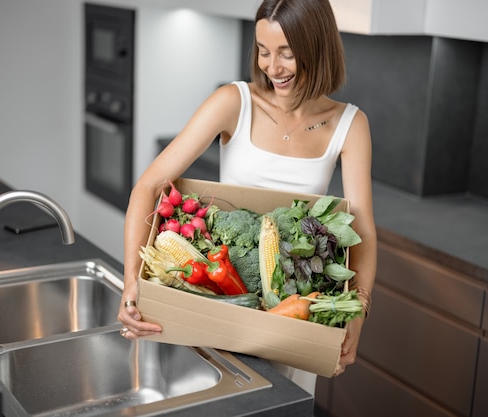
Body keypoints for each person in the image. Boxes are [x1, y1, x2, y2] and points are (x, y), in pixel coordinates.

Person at [117, 0, 377, 395]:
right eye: (264, 50)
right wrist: (131, 285)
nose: (273, 67)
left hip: (294, 314)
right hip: (219, 300)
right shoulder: (233, 102)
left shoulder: (350, 124)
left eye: (287, 53)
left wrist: (358, 313)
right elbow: (148, 188)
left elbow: (364, 231)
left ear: (318, 47)